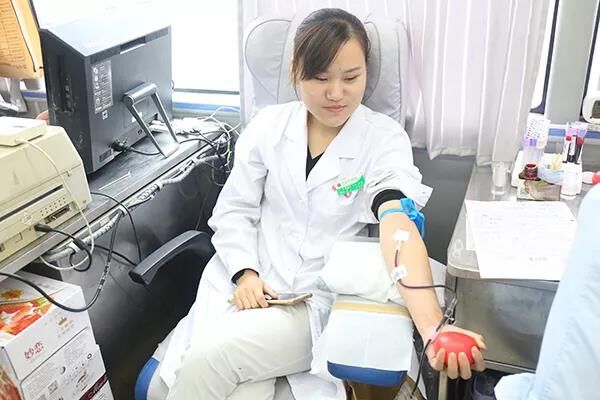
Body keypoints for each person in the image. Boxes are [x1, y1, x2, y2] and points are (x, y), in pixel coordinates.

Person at [163, 8, 486, 400]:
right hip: (244, 288)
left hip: (309, 304)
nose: (336, 93)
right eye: (320, 78)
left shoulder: (382, 138)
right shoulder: (268, 126)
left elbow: (397, 225)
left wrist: (433, 328)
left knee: (208, 360)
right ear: (296, 72)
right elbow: (235, 211)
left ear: (366, 73)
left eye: (351, 78)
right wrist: (245, 273)